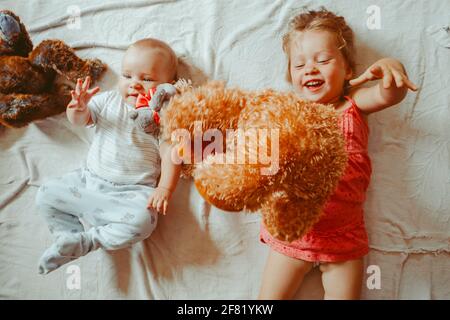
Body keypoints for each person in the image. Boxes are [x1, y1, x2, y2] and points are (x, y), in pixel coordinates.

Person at [259, 8, 417, 299]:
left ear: (348, 71)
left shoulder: (353, 104)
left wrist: (391, 67)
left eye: (323, 60)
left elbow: (388, 95)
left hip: (344, 234)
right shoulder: (291, 113)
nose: (310, 69)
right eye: (299, 65)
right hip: (296, 230)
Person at [36, 38, 181, 274]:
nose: (134, 84)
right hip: (88, 182)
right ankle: (68, 237)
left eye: (146, 79)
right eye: (127, 76)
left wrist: (165, 188)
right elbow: (82, 121)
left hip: (131, 193)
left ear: (168, 86)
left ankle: (89, 241)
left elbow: (171, 154)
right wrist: (77, 109)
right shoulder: (109, 101)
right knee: (45, 195)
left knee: (143, 222)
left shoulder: (163, 119)